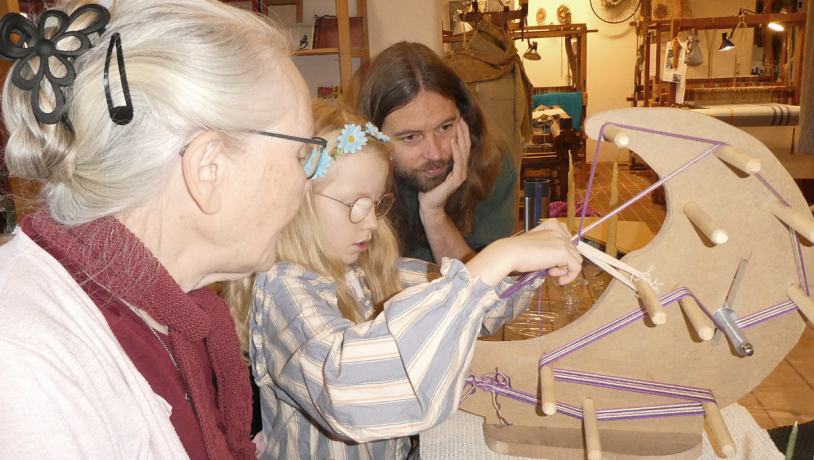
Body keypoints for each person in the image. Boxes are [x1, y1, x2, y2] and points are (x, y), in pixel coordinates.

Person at [0, 0, 323, 458]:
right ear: (208, 167)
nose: (307, 181)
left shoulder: (165, 310)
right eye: (301, 153)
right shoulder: (26, 365)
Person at [227, 101, 582, 460]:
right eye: (355, 203)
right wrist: (500, 256)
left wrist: (520, 265)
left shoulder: (364, 268)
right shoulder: (280, 288)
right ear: (296, 200)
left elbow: (478, 312)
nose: (370, 222)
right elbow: (350, 389)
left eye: (376, 203)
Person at [358, 41, 519, 264]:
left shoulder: (494, 163)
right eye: (410, 137)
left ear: (464, 116)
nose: (435, 154)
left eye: (445, 127)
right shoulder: (348, 172)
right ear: (374, 136)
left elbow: (485, 286)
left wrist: (434, 214)